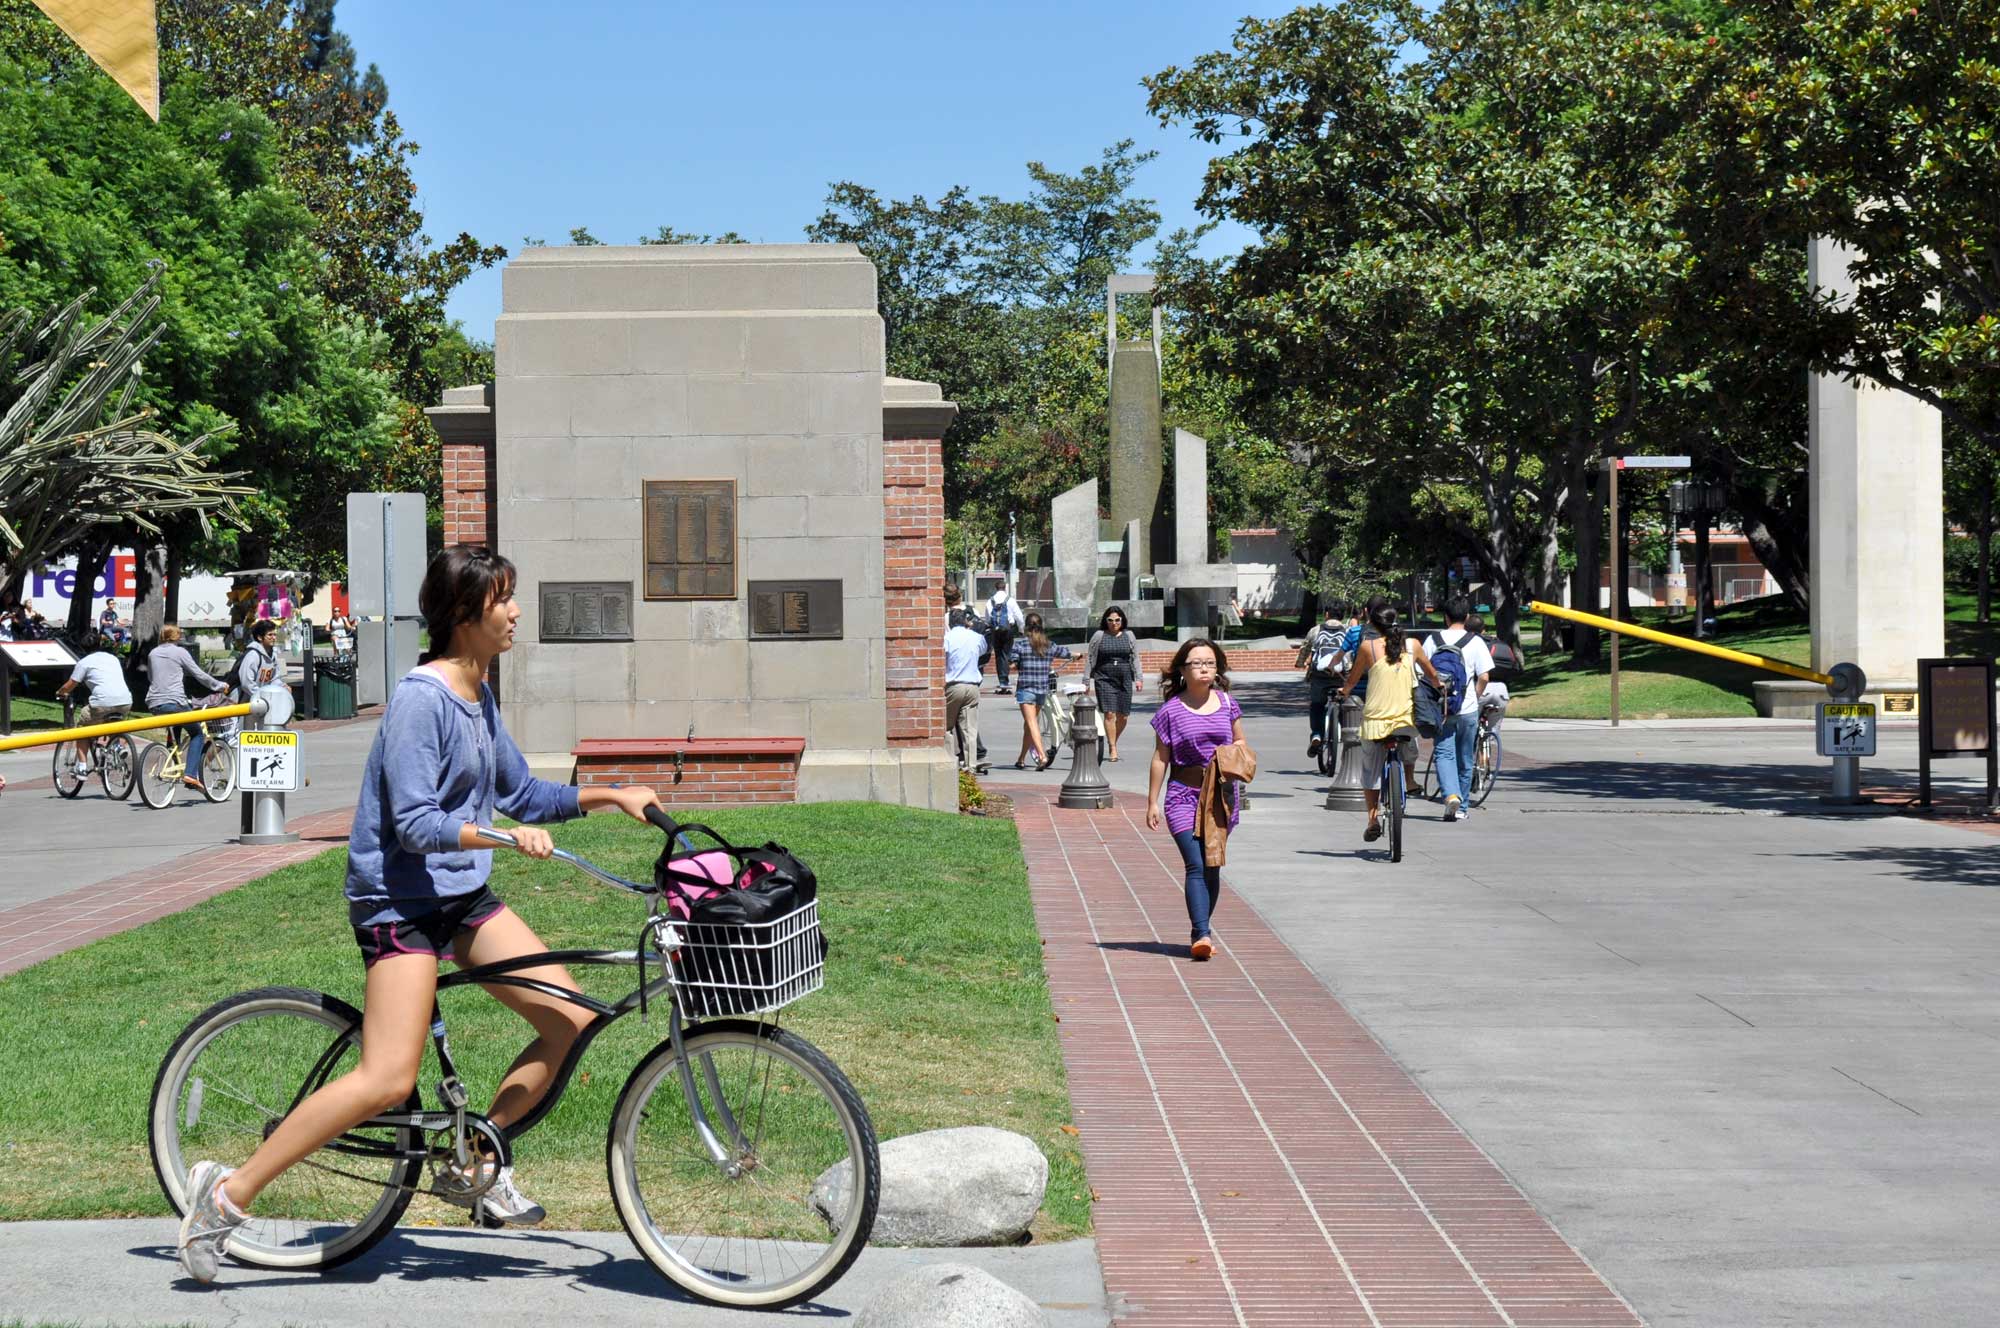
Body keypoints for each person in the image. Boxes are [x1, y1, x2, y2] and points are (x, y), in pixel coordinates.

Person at [174, 544, 664, 1284]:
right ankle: (226, 1195)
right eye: (503, 600)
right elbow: (414, 823)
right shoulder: (420, 700)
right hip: (398, 901)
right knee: (383, 1078)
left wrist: (610, 794)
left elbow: (525, 796)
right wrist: (498, 834)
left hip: (459, 894)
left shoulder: (478, 692)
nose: (516, 613)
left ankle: (476, 1158)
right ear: (464, 614)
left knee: (572, 1016)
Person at [1145, 639, 1246, 961]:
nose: (1205, 668)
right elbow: (1161, 758)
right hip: (1182, 795)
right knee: (1196, 863)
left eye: (1211, 662)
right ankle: (1201, 933)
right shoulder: (1170, 711)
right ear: (1182, 670)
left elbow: (1240, 740)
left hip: (1220, 796)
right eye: (1198, 662)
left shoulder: (1228, 704)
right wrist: (1152, 801)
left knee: (1212, 866)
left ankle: (1200, 929)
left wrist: (1234, 759)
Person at [1338, 605, 1442, 843]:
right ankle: (1408, 778)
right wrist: (1441, 686)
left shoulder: (1368, 647)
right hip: (1404, 719)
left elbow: (1352, 680)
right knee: (1409, 745)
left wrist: (1343, 692)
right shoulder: (1413, 645)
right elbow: (1432, 675)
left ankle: (1373, 818)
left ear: (1373, 625)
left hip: (1375, 721)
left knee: (1370, 770)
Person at [1425, 596, 1495, 823]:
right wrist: (1475, 694)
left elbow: (1421, 671)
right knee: (1465, 757)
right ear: (1466, 617)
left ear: (1445, 616)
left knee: (1444, 754)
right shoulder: (1475, 641)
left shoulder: (1432, 640)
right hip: (1467, 708)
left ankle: (1450, 796)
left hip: (1442, 707)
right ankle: (1462, 806)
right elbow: (1484, 676)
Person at [147, 625, 230, 793]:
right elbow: (198, 674)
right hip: (175, 702)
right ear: (176, 637)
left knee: (176, 725)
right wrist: (219, 685)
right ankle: (190, 774)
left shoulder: (153, 653)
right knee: (197, 733)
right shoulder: (180, 652)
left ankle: (173, 759)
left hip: (154, 703)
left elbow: (151, 677)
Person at [1008, 611, 1072, 771]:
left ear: (1026, 627)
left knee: (1031, 723)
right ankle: (1021, 758)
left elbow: (1012, 664)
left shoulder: (1020, 644)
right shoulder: (1048, 645)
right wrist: (1076, 655)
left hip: (1026, 688)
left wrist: (1016, 664)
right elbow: (1065, 653)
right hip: (1042, 689)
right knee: (1028, 725)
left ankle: (1042, 755)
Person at [1086, 606, 1141, 762]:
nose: (1114, 623)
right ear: (1105, 621)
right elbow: (1090, 658)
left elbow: (1135, 657)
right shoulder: (1099, 635)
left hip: (1124, 676)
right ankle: (1112, 748)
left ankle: (1112, 740)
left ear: (1122, 620)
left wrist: (1139, 678)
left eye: (1117, 620)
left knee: (1123, 716)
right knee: (1109, 713)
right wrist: (1086, 680)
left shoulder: (1129, 635)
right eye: (1110, 620)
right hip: (1104, 677)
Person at [1297, 604, 1348, 759]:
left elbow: (1305, 648)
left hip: (1319, 676)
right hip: (1341, 676)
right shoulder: (1348, 631)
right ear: (1343, 616)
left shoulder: (1315, 630)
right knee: (1345, 704)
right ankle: (1341, 729)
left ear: (1326, 614)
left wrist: (1300, 663)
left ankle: (1317, 735)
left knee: (1317, 704)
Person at [944, 607, 990, 774]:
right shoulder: (977, 637)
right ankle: (970, 765)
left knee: (946, 726)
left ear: (950, 622)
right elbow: (983, 652)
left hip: (953, 685)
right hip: (972, 685)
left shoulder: (947, 638)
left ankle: (948, 761)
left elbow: (942, 659)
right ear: (965, 621)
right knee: (970, 728)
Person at [54, 631, 132, 725]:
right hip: (125, 701)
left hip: (102, 703)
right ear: (99, 644)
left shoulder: (84, 662)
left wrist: (60, 692)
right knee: (113, 728)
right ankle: (116, 739)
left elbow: (70, 685)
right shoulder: (113, 658)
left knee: (83, 728)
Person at [986, 588, 1025, 693]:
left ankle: (1002, 681)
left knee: (998, 655)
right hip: (1008, 629)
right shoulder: (1010, 600)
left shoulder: (990, 601)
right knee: (1007, 653)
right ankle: (1005, 680)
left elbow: (988, 618)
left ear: (996, 588)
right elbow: (1019, 616)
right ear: (1004, 588)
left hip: (995, 630)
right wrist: (1021, 629)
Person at [235, 618, 281, 700]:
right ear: (260, 637)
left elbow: (274, 679)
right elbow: (247, 684)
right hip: (243, 705)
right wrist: (262, 696)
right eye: (270, 635)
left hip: (260, 703)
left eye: (275, 635)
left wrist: (281, 687)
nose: (274, 638)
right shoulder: (252, 655)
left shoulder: (273, 656)